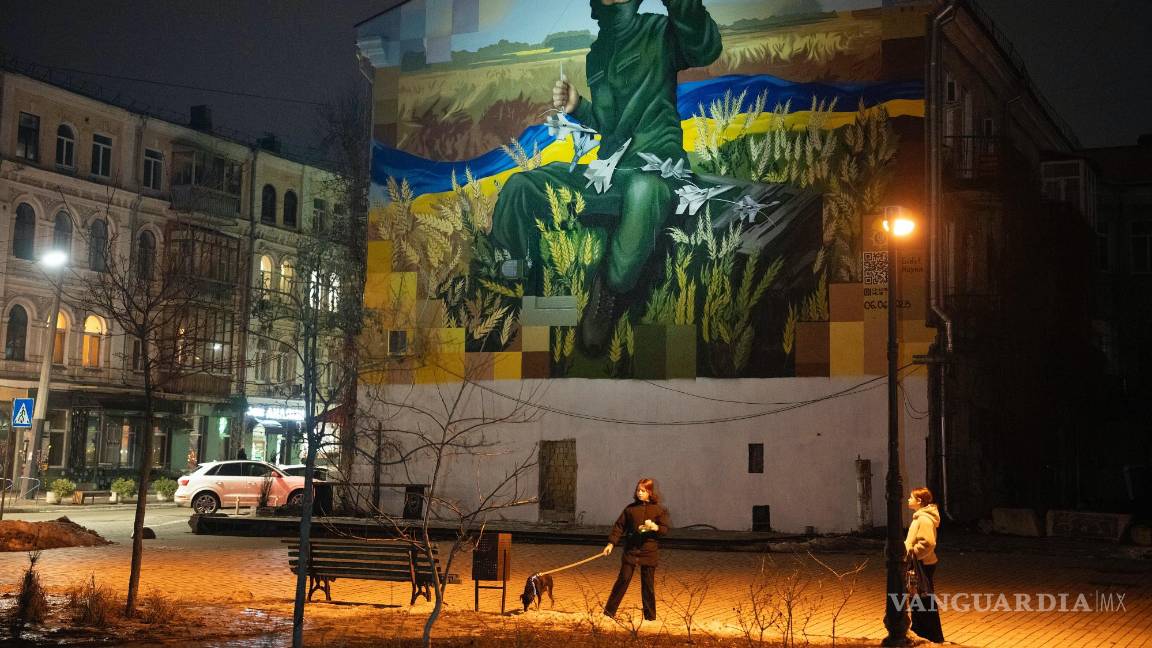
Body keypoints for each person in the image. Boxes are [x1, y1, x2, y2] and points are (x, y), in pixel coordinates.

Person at [491, 0, 722, 354]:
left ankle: (609, 289)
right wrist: (578, 107)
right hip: (609, 173)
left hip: (656, 169)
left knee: (645, 190)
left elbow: (706, 48)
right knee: (520, 187)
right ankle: (512, 295)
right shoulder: (597, 53)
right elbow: (610, 122)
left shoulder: (658, 30)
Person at [602, 477, 670, 620]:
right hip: (631, 550)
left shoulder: (659, 510)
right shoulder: (630, 509)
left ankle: (650, 617)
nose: (639, 493)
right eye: (638, 490)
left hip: (649, 551)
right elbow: (619, 527)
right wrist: (611, 544)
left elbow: (664, 530)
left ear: (650, 492)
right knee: (623, 579)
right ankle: (609, 612)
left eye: (643, 491)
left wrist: (655, 527)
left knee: (648, 585)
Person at [905, 486, 944, 643]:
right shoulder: (921, 517)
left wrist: (913, 552)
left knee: (922, 598)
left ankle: (929, 634)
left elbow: (928, 543)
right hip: (922, 562)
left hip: (922, 563)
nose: (908, 499)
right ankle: (923, 632)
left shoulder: (924, 519)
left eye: (911, 497)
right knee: (919, 598)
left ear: (919, 501)